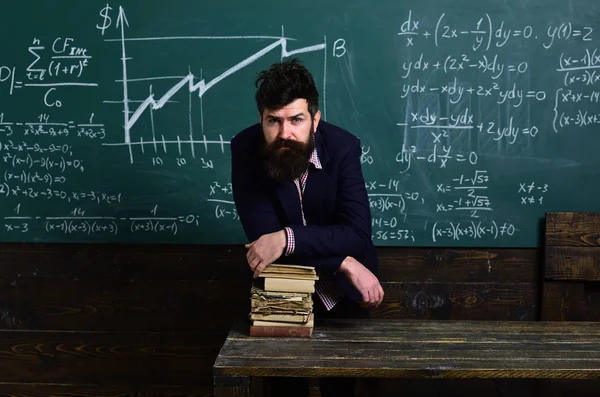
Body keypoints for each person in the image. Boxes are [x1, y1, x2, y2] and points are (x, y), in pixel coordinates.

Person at [230, 58, 384, 397]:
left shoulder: (343, 148)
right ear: (261, 119)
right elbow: (264, 246)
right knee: (285, 390)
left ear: (315, 119)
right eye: (274, 121)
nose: (285, 133)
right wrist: (343, 260)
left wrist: (286, 238)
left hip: (346, 294)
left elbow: (357, 236)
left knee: (341, 390)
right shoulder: (245, 150)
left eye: (296, 120)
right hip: (281, 295)